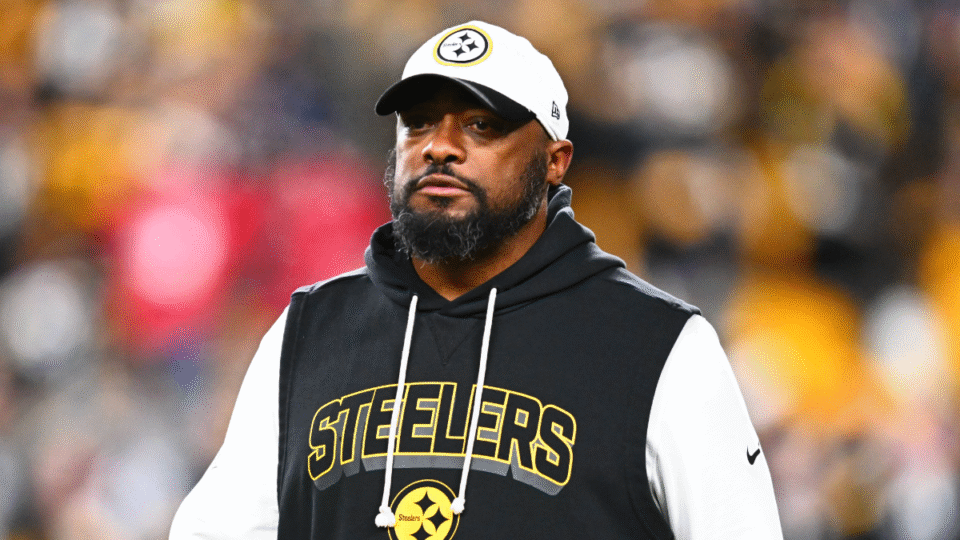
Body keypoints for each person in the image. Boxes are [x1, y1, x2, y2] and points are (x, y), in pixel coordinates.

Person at [169, 20, 783, 540]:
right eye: (419, 123)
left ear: (554, 160)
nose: (440, 147)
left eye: (481, 126)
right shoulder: (307, 331)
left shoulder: (660, 345)